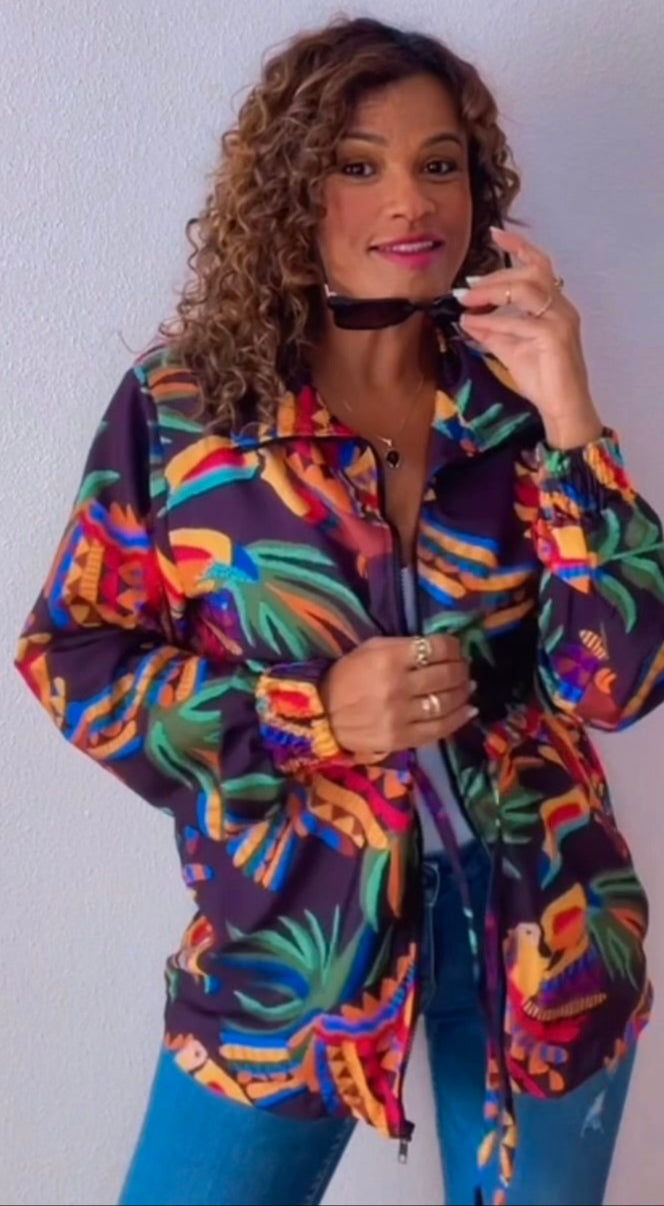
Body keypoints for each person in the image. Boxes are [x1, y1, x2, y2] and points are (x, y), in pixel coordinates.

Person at [14, 16, 664, 1206]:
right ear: (291, 190)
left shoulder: (513, 398)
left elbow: (618, 684)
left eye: (439, 163)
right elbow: (74, 657)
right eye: (358, 165)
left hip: (546, 939)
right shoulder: (186, 408)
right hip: (289, 946)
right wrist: (313, 712)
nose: (409, 200)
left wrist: (572, 415)